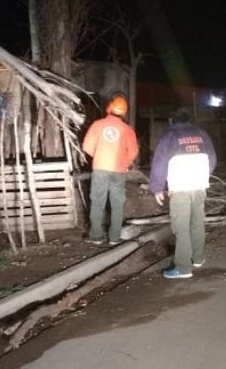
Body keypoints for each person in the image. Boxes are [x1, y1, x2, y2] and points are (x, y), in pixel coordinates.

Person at [149, 107, 217, 279]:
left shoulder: (170, 136)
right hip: (199, 186)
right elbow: (212, 158)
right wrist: (204, 175)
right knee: (197, 223)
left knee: (181, 228)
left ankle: (183, 268)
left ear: (172, 120)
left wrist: (157, 187)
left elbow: (160, 163)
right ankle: (198, 258)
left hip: (180, 188)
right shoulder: (202, 134)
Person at [82, 94, 139, 246]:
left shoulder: (97, 124)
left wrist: (99, 155)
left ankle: (96, 236)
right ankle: (114, 238)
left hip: (100, 169)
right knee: (117, 204)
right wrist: (124, 163)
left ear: (109, 108)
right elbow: (133, 152)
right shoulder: (127, 129)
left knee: (97, 202)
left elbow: (86, 147)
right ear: (124, 112)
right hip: (119, 171)